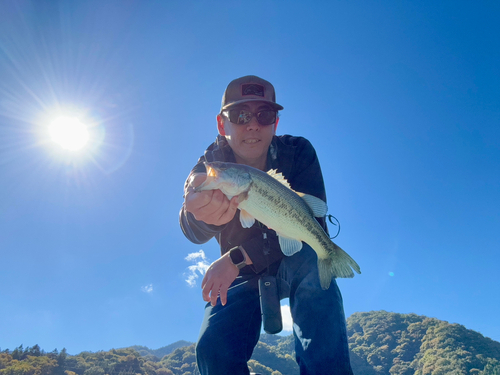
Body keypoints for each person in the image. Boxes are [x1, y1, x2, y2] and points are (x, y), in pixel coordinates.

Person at [179, 75, 354, 375]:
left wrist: (237, 256)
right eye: (240, 115)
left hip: (290, 257)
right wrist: (197, 214)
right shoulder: (213, 163)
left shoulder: (299, 152)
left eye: (265, 115)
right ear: (223, 125)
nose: (252, 124)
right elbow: (192, 226)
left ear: (275, 121)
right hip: (241, 276)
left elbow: (316, 225)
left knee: (314, 267)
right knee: (212, 347)